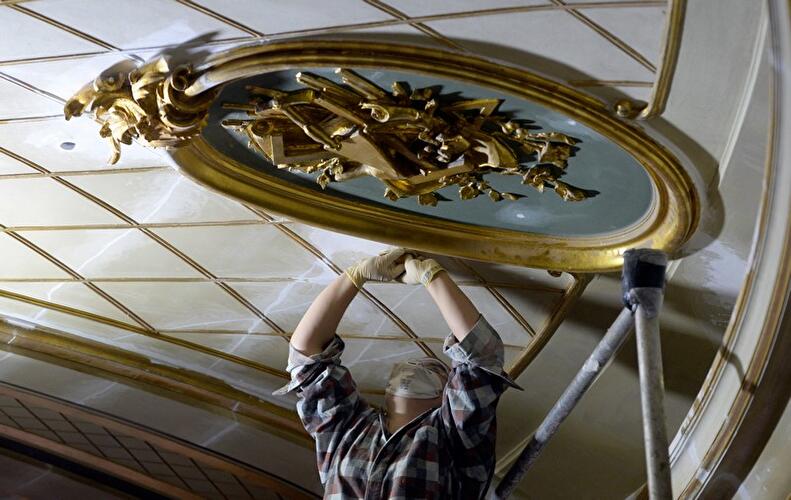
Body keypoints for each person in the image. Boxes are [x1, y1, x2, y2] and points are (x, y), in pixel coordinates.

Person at [275, 249, 520, 499]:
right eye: (406, 368)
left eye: (431, 368)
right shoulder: (350, 430)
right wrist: (355, 274)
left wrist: (431, 275)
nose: (413, 369)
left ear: (447, 392)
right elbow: (307, 358)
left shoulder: (452, 435)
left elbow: (479, 359)